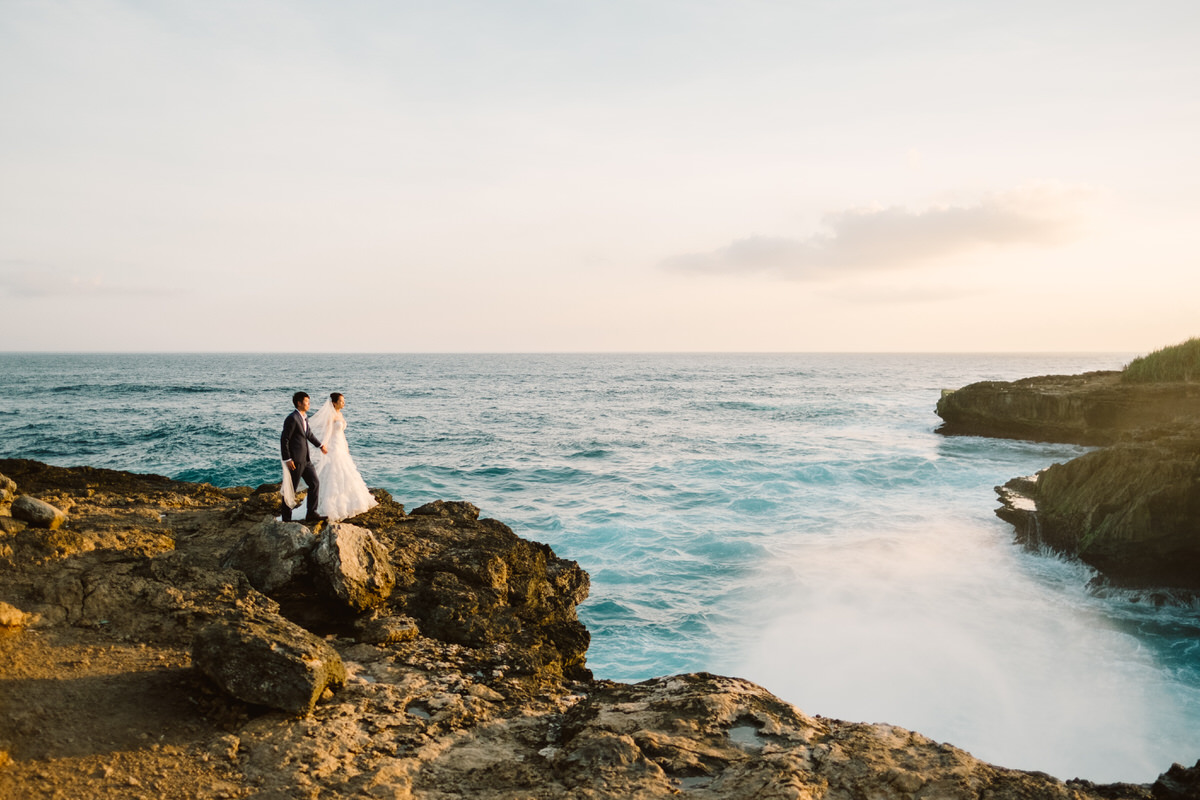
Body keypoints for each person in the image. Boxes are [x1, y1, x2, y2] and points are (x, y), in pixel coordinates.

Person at [304, 392, 378, 521]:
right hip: (333, 447)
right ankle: (329, 505)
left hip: (341, 446)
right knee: (333, 472)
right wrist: (323, 445)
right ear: (334, 403)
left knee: (347, 472)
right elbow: (327, 432)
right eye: (341, 401)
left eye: (343, 401)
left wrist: (346, 446)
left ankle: (350, 500)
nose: (343, 403)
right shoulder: (330, 416)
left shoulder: (340, 414)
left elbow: (341, 433)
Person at [280, 391, 328, 523]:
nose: (309, 404)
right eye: (307, 402)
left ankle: (311, 513)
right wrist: (287, 459)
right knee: (291, 490)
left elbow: (309, 434)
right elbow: (284, 439)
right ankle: (286, 519)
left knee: (314, 483)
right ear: (299, 403)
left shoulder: (304, 417)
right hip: (295, 461)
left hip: (306, 460)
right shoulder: (292, 418)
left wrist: (320, 445)